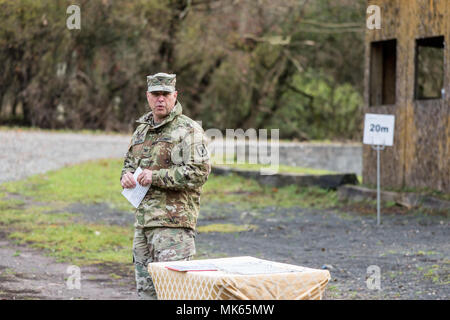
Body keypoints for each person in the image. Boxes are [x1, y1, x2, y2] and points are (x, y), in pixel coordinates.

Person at [120, 72, 211, 300]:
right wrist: (126, 177)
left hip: (174, 228)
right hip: (143, 226)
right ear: (147, 96)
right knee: (147, 295)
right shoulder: (142, 130)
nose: (160, 99)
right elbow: (128, 166)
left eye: (165, 94)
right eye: (155, 94)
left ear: (175, 96)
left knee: (175, 295)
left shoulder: (188, 130)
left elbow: (198, 173)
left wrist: (156, 177)